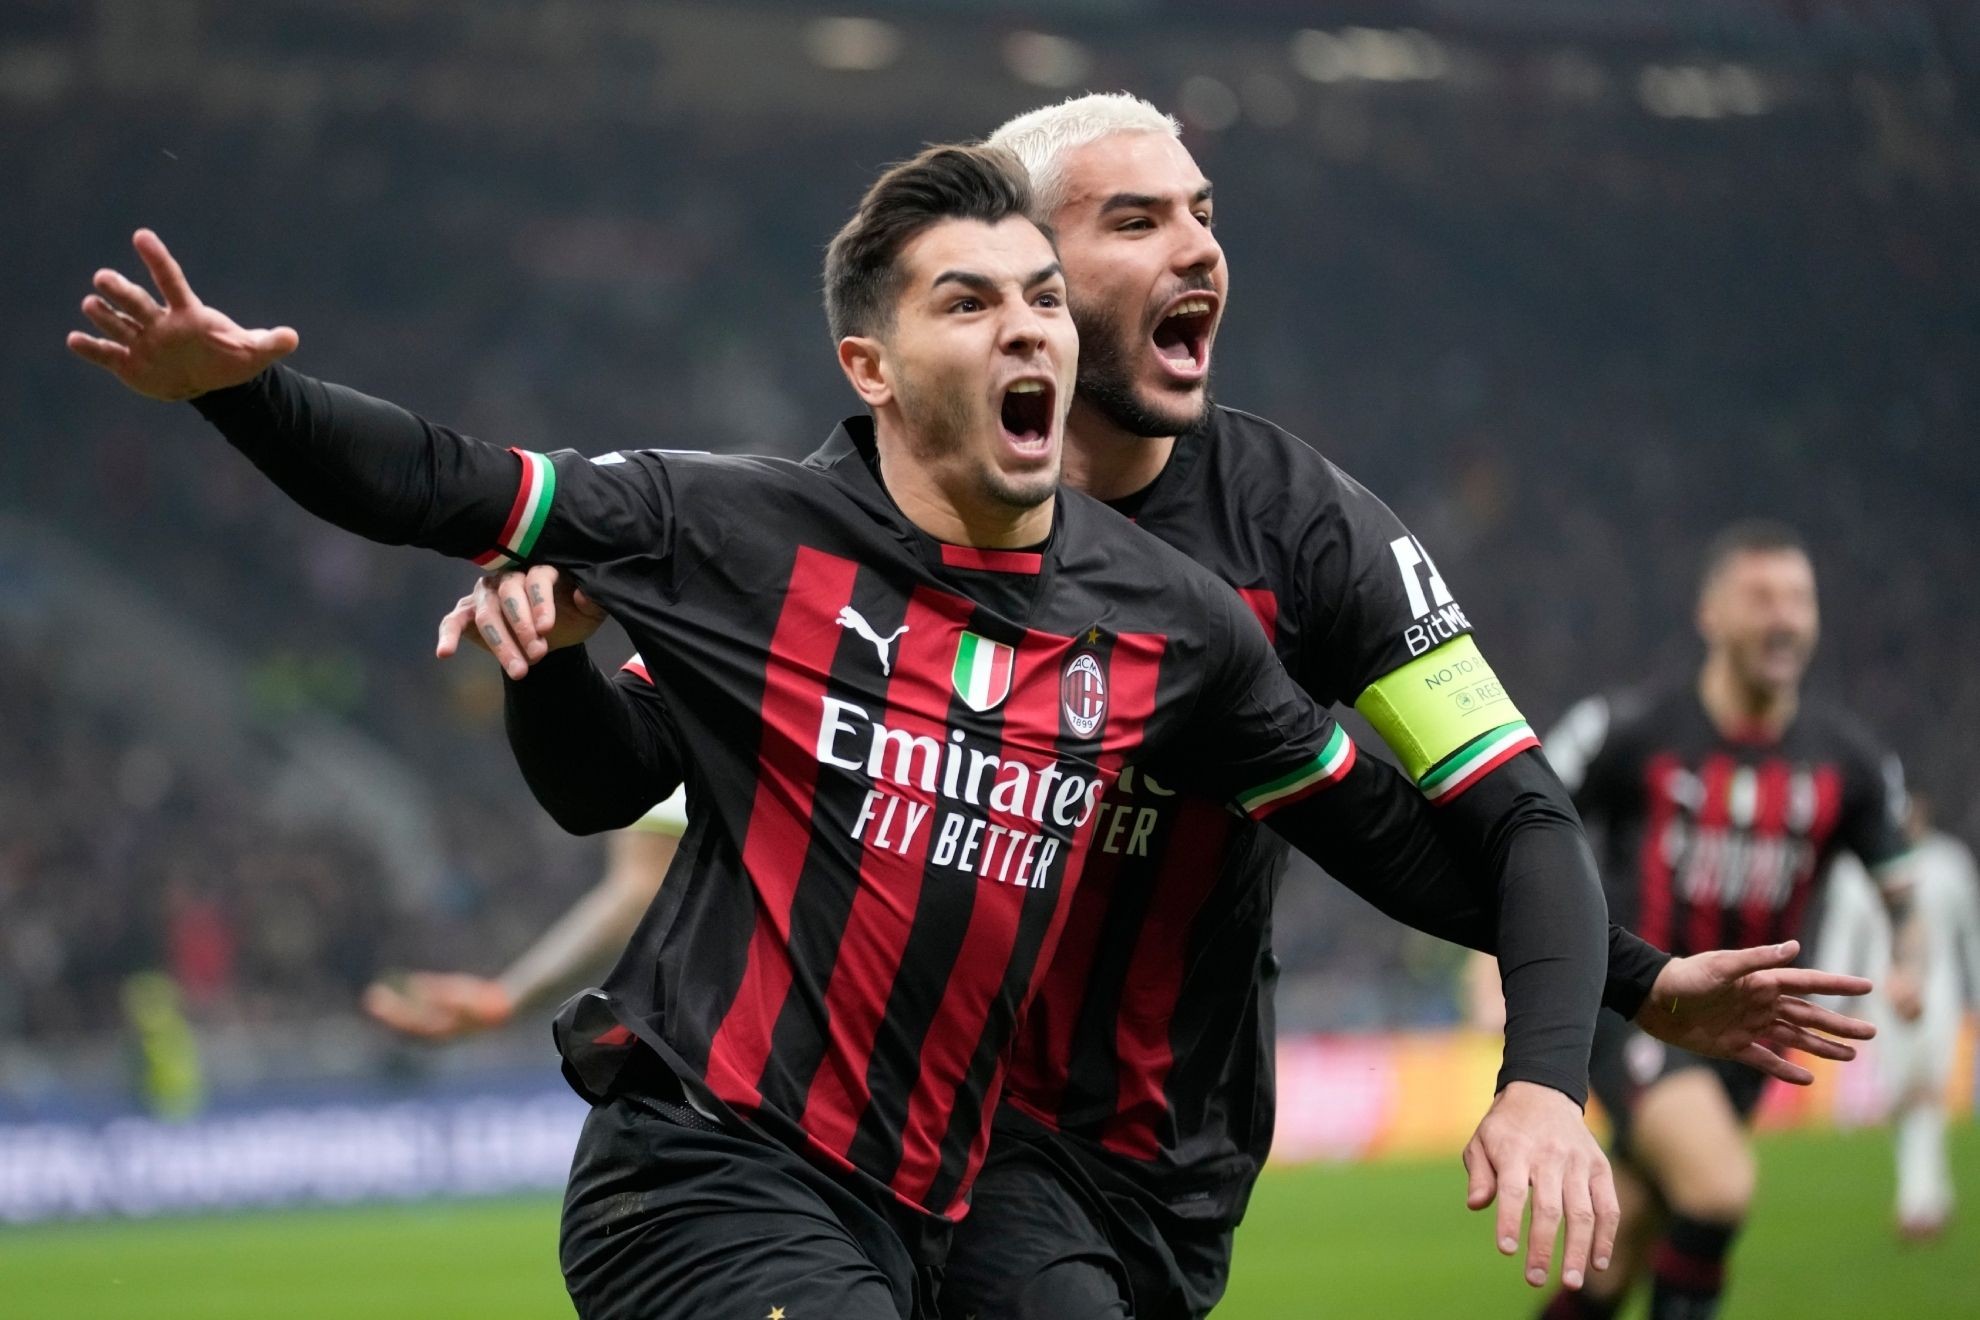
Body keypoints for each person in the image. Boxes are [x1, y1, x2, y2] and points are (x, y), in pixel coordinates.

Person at [68, 147, 1627, 1320]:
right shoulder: (741, 534)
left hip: (928, 1211)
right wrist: (238, 395)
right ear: (869, 367)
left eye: (1040, 299)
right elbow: (444, 482)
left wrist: (1619, 989)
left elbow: (1386, 834)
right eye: (969, 302)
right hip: (706, 1170)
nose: (1025, 330)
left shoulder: (1175, 624)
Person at [452, 96, 1879, 1319]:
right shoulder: (860, 520)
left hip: (1166, 1164)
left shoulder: (1308, 533)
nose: (1197, 248)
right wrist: (549, 657)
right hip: (926, 1146)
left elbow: (1502, 818)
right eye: (1135, 222)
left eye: (1203, 215)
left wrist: (1565, 1060)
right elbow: (623, 772)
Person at [1522, 520, 1926, 1320]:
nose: (1784, 618)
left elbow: (1899, 889)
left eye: (1799, 600)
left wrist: (1909, 962)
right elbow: (1530, 828)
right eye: (1761, 597)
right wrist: (1504, 954)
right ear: (1712, 614)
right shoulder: (1633, 730)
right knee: (1717, 1188)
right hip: (1639, 1006)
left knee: (1616, 1253)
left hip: (1748, 1037)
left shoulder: (1846, 759)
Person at [363, 791, 684, 1040]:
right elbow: (640, 891)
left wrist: (504, 997)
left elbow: (640, 891)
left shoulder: (669, 734)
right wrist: (501, 999)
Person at [1815, 794, 1980, 1241]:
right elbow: (1842, 937)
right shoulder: (1856, 870)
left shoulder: (1949, 863)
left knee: (1928, 1089)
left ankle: (1920, 1200)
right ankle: (1928, 1194)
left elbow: (1970, 935)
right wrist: (1825, 1001)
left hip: (1940, 993)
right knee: (1902, 1093)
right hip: (1882, 993)